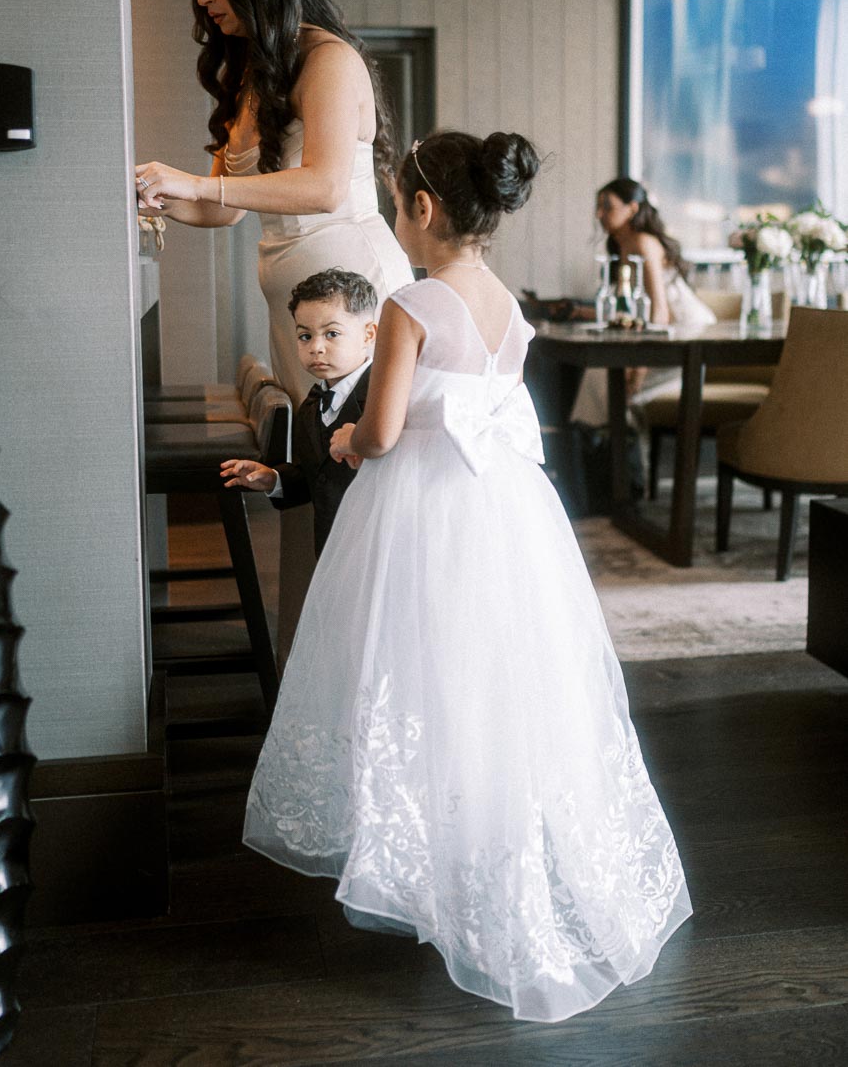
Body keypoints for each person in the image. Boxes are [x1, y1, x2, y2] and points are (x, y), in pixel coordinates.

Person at [242, 130, 692, 1023]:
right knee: (499, 677)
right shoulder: (507, 306)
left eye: (395, 206)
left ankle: (427, 853)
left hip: (423, 509)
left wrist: (345, 437)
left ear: (423, 209)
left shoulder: (411, 303)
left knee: (417, 670)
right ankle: (489, 836)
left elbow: (382, 430)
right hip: (505, 510)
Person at [133, 0, 412, 405]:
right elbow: (222, 208)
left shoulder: (328, 59)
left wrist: (193, 182)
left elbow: (325, 188)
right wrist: (147, 192)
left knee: (356, 435)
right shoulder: (252, 75)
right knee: (313, 436)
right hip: (292, 297)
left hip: (351, 287)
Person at [220, 268, 376, 557]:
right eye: (305, 336)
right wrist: (273, 479)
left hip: (375, 546)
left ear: (368, 334)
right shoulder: (311, 407)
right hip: (330, 549)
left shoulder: (381, 402)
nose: (316, 348)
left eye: (332, 334)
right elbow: (313, 477)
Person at [572, 178, 717, 426]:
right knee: (599, 372)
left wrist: (640, 367)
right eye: (598, 207)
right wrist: (578, 311)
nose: (599, 214)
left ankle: (611, 440)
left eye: (607, 206)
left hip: (687, 339)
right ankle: (606, 439)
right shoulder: (622, 245)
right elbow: (626, 312)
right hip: (662, 334)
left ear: (632, 209)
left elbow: (660, 313)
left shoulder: (643, 243)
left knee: (602, 374)